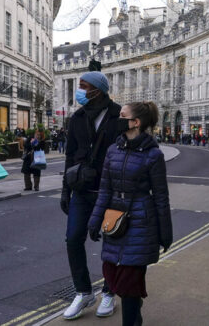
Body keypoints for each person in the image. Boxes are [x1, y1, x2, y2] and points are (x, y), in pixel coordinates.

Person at [88, 101, 173, 325]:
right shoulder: (112, 150)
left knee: (130, 280)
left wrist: (165, 234)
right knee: (113, 273)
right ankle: (134, 307)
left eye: (122, 115)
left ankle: (132, 318)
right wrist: (95, 220)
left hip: (141, 223)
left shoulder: (154, 155)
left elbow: (161, 197)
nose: (118, 118)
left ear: (135, 122)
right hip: (115, 221)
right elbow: (105, 188)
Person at [61, 71, 125, 320]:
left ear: (98, 89)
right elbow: (70, 155)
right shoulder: (77, 117)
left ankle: (110, 291)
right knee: (73, 238)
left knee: (112, 242)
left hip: (110, 192)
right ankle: (84, 291)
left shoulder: (118, 115)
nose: (80, 91)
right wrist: (66, 190)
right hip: (82, 190)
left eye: (84, 86)